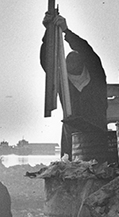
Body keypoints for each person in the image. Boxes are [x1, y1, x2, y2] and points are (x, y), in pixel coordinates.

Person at [40, 12, 108, 158]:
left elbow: (89, 53)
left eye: (75, 61)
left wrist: (66, 31)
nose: (72, 64)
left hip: (97, 138)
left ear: (83, 63)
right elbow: (48, 62)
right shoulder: (63, 81)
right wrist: (49, 32)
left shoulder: (96, 78)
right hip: (71, 140)